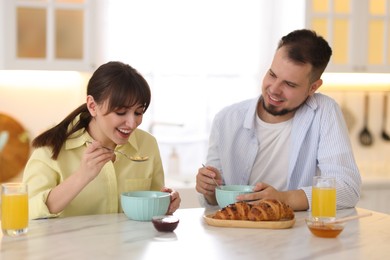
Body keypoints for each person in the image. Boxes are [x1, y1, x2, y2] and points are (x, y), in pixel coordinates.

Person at [196, 29, 361, 211]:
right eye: (272, 75)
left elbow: (348, 190)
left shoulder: (324, 112)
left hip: (296, 236)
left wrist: (282, 198)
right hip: (235, 234)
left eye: (289, 84)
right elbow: (212, 200)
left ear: (313, 87)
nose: (274, 89)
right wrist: (209, 190)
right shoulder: (226, 119)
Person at [23, 61, 181, 219]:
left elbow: (152, 206)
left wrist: (166, 203)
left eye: (138, 112)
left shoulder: (147, 144)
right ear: (92, 106)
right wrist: (82, 176)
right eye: (121, 112)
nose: (132, 123)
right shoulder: (50, 149)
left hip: (131, 244)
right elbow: (27, 211)